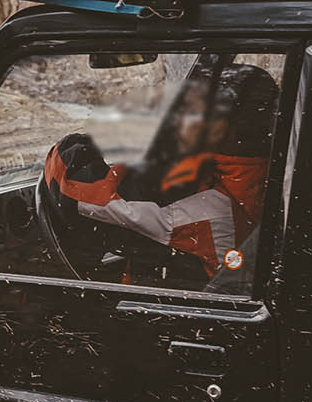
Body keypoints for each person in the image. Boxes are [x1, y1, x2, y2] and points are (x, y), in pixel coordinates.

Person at [41, 58, 277, 285]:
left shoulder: (198, 207)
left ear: (219, 126)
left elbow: (75, 189)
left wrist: (80, 143)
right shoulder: (271, 180)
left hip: (176, 318)